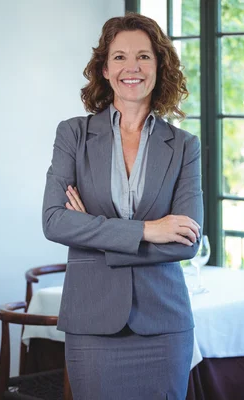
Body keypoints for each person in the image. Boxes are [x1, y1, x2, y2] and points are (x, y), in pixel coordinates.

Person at [42, 12, 203, 400]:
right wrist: (149, 230)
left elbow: (187, 242)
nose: (132, 67)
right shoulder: (73, 135)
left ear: (159, 65)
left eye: (144, 56)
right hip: (92, 323)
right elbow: (53, 221)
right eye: (120, 57)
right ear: (104, 67)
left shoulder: (184, 146)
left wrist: (93, 231)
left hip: (164, 326)